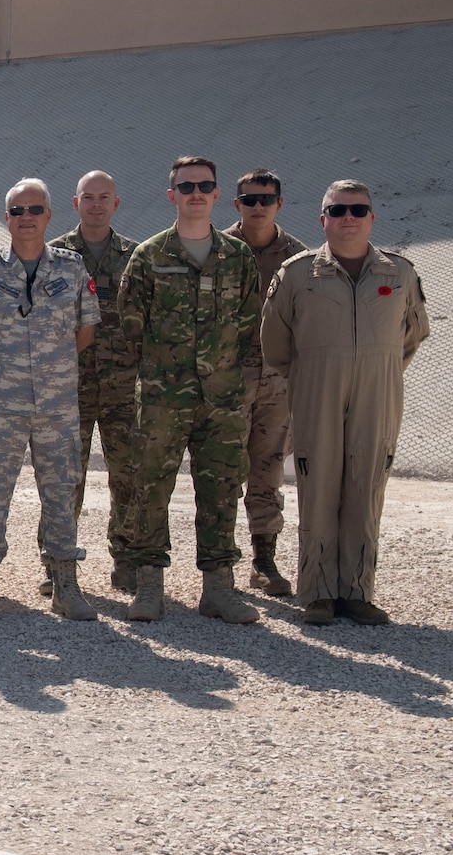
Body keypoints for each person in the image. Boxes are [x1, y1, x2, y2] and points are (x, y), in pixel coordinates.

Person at [261, 180, 429, 626]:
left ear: (372, 217)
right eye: (337, 211)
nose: (348, 218)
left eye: (357, 209)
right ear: (323, 220)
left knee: (366, 484)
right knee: (318, 487)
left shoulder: (400, 273)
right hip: (316, 389)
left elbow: (412, 335)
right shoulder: (298, 274)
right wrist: (315, 374)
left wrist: (379, 368)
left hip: (378, 393)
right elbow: (275, 344)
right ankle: (317, 592)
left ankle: (357, 591)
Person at [115, 155, 262, 623]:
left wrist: (215, 367)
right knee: (150, 488)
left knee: (220, 489)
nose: (195, 192)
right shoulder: (150, 256)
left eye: (204, 185)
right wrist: (166, 368)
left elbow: (248, 321)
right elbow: (130, 323)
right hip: (163, 396)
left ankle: (219, 587)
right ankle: (149, 586)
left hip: (222, 398)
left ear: (218, 194)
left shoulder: (238, 257)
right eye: (186, 186)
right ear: (171, 194)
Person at [0, 178, 100, 621]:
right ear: (7, 218)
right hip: (1, 406)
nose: (27, 218)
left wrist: (49, 367)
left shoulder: (72, 269)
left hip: (56, 405)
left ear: (49, 216)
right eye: (18, 211)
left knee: (60, 492)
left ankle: (65, 583)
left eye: (35, 210)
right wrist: (6, 369)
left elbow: (85, 330)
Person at [48, 170, 142, 594]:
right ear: (76, 203)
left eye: (105, 197)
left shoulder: (136, 257)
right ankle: (57, 563)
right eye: (89, 197)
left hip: (124, 389)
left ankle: (127, 560)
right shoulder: (55, 257)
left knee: (129, 479)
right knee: (65, 479)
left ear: (116, 203)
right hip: (70, 390)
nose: (97, 204)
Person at [225, 169, 307, 596]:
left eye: (266, 199)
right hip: (227, 381)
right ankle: (219, 564)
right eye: (249, 199)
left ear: (279, 203)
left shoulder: (298, 259)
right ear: (236, 203)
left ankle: (264, 560)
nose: (258, 206)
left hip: (276, 383)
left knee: (268, 470)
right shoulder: (216, 251)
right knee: (222, 472)